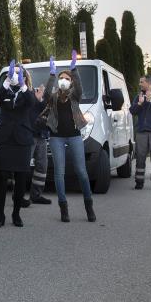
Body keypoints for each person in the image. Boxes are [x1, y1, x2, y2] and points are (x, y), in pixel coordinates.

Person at [44, 51, 96, 222]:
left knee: (81, 171)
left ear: (70, 81)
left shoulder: (75, 96)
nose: (64, 80)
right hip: (56, 137)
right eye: (62, 78)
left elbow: (79, 87)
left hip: (74, 136)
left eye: (67, 78)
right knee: (59, 173)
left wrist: (75, 70)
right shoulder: (53, 97)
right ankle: (63, 208)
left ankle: (89, 207)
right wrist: (52, 74)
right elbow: (45, 97)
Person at [0, 60, 37, 228]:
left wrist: (23, 85)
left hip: (22, 140)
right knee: (2, 177)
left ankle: (16, 214)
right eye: (13, 73)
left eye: (19, 73)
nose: (16, 75)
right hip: (4, 139)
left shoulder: (27, 92)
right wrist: (7, 81)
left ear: (24, 77)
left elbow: (32, 104)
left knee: (21, 178)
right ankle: (0, 215)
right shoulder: (5, 90)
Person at [28, 82, 52, 204]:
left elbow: (45, 110)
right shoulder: (27, 94)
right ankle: (18, 196)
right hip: (29, 136)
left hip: (41, 136)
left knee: (42, 166)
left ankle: (36, 195)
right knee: (23, 166)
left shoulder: (44, 97)